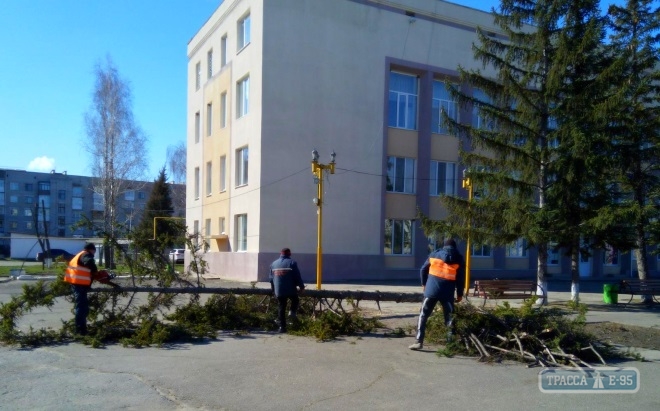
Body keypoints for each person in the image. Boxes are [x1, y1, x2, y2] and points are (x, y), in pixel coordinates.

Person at [409, 238, 465, 350]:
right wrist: (459, 294)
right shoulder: (459, 259)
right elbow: (460, 279)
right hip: (447, 294)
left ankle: (418, 341)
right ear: (455, 247)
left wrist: (424, 284)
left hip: (431, 291)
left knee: (423, 315)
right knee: (449, 318)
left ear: (444, 246)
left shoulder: (434, 254)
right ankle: (450, 344)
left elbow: (423, 269)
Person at [63, 242, 105, 335]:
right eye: (94, 252)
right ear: (92, 250)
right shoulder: (85, 255)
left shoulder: (79, 255)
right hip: (79, 285)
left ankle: (81, 328)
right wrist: (95, 271)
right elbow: (89, 262)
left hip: (77, 284)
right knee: (82, 308)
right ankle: (80, 330)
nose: (94, 254)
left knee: (83, 308)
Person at [269, 248, 305, 333]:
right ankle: (292, 312)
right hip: (290, 289)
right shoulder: (292, 263)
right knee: (295, 299)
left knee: (281, 307)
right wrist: (302, 287)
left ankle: (282, 327)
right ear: (289, 254)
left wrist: (274, 291)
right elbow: (297, 276)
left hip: (279, 290)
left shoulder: (273, 264)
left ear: (280, 254)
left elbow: (271, 279)